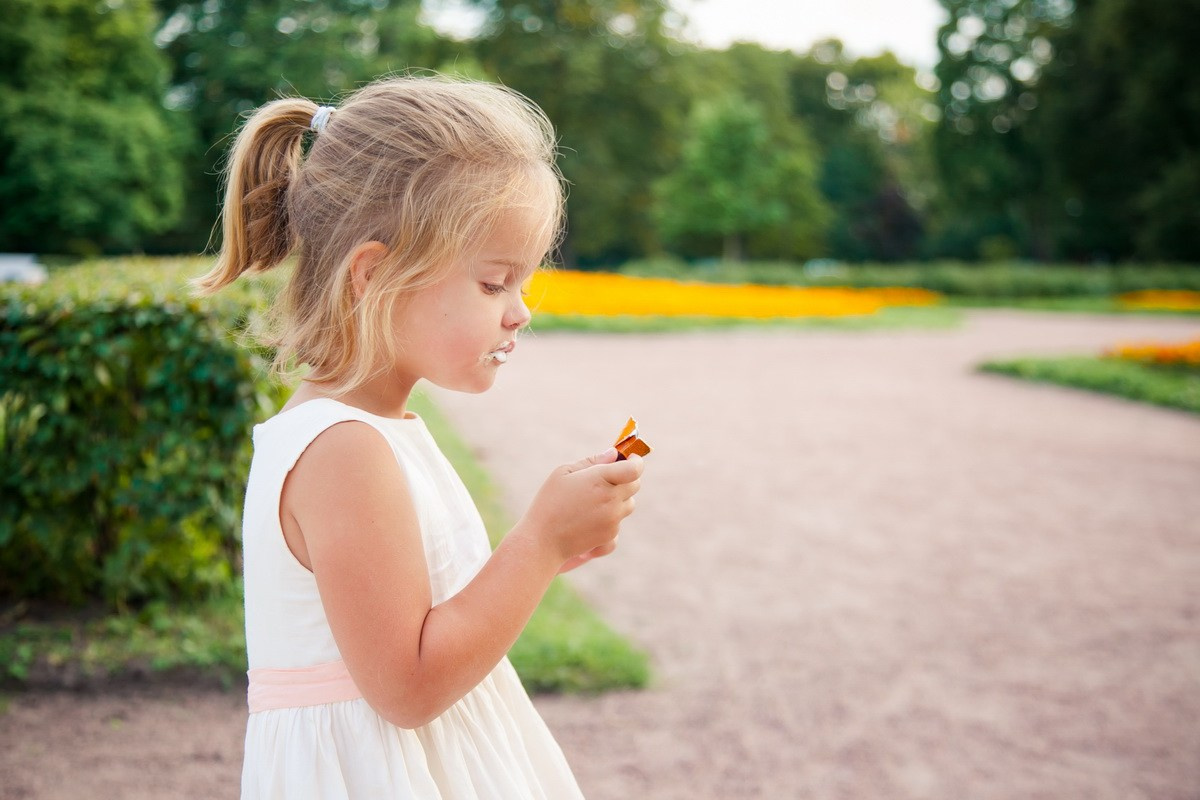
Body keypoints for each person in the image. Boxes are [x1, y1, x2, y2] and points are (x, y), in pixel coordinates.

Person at [193, 75, 645, 799]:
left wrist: (552, 545)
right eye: (495, 283)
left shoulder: (382, 430)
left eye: (523, 285)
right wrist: (537, 547)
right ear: (374, 274)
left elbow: (426, 615)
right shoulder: (342, 449)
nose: (519, 312)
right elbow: (406, 687)